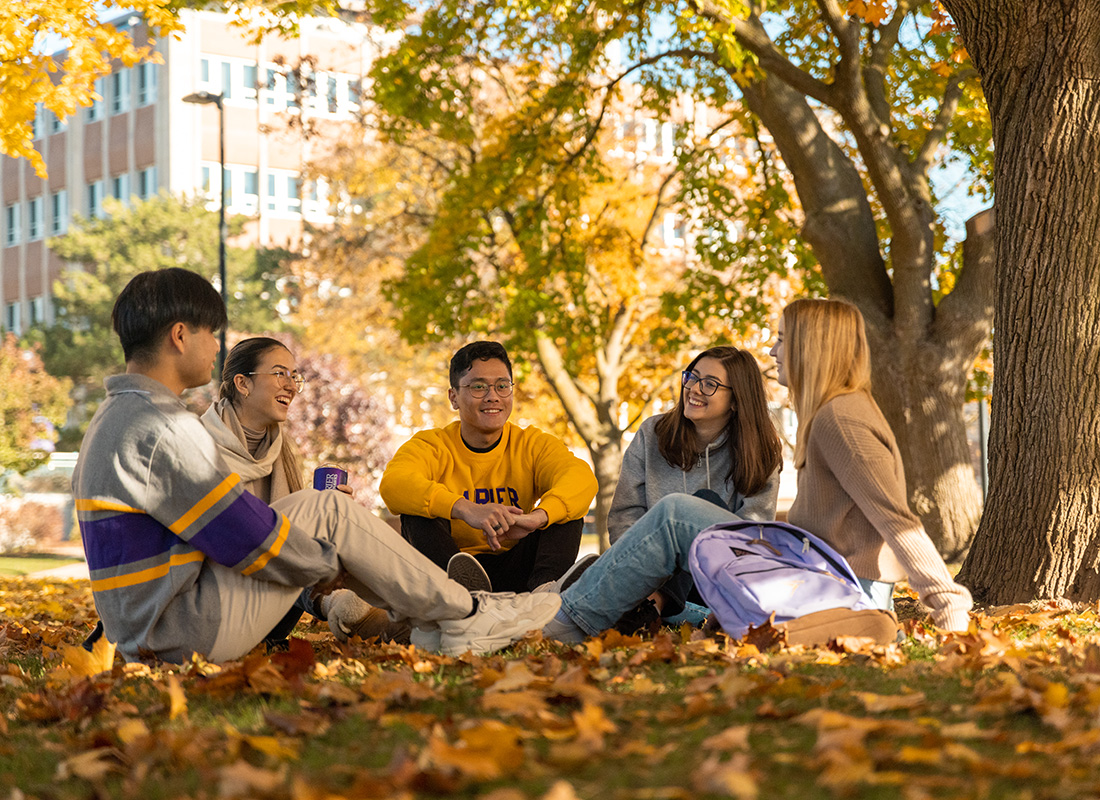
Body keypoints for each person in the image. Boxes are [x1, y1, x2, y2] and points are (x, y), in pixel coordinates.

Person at [72, 268, 560, 664]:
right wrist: (330, 560)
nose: (217, 347)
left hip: (155, 626)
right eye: (211, 333)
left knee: (325, 511)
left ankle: (445, 623)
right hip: (184, 630)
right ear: (180, 335)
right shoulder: (164, 428)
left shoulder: (117, 416)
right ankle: (470, 612)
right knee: (328, 512)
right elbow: (242, 535)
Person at [543, 298, 971, 643]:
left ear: (809, 348)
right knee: (680, 517)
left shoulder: (841, 419)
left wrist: (947, 603)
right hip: (815, 575)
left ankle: (565, 621)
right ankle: (600, 608)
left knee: (677, 514)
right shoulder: (830, 413)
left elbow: (897, 520)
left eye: (782, 339)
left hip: (840, 588)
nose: (772, 350)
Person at [200, 336, 407, 644]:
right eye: (280, 373)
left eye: (293, 376)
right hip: (213, 607)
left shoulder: (280, 449)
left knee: (327, 530)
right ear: (243, 384)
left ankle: (402, 610)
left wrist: (328, 512)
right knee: (287, 544)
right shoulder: (198, 448)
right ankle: (341, 604)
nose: (292, 386)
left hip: (271, 611)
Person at [379, 341, 598, 594]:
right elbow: (394, 484)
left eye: (502, 386)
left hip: (519, 569)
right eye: (478, 387)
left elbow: (582, 478)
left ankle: (546, 594)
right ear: (453, 397)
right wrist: (466, 509)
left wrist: (536, 519)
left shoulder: (531, 444)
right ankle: (461, 598)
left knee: (565, 509)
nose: (493, 396)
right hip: (454, 569)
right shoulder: (432, 445)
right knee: (417, 510)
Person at [608, 346, 782, 625]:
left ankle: (655, 607)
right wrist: (641, 574)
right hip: (645, 574)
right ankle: (652, 605)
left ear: (736, 401)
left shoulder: (760, 453)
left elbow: (751, 538)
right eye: (692, 377)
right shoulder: (652, 434)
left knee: (700, 507)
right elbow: (624, 516)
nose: (693, 389)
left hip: (716, 585)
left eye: (710, 384)